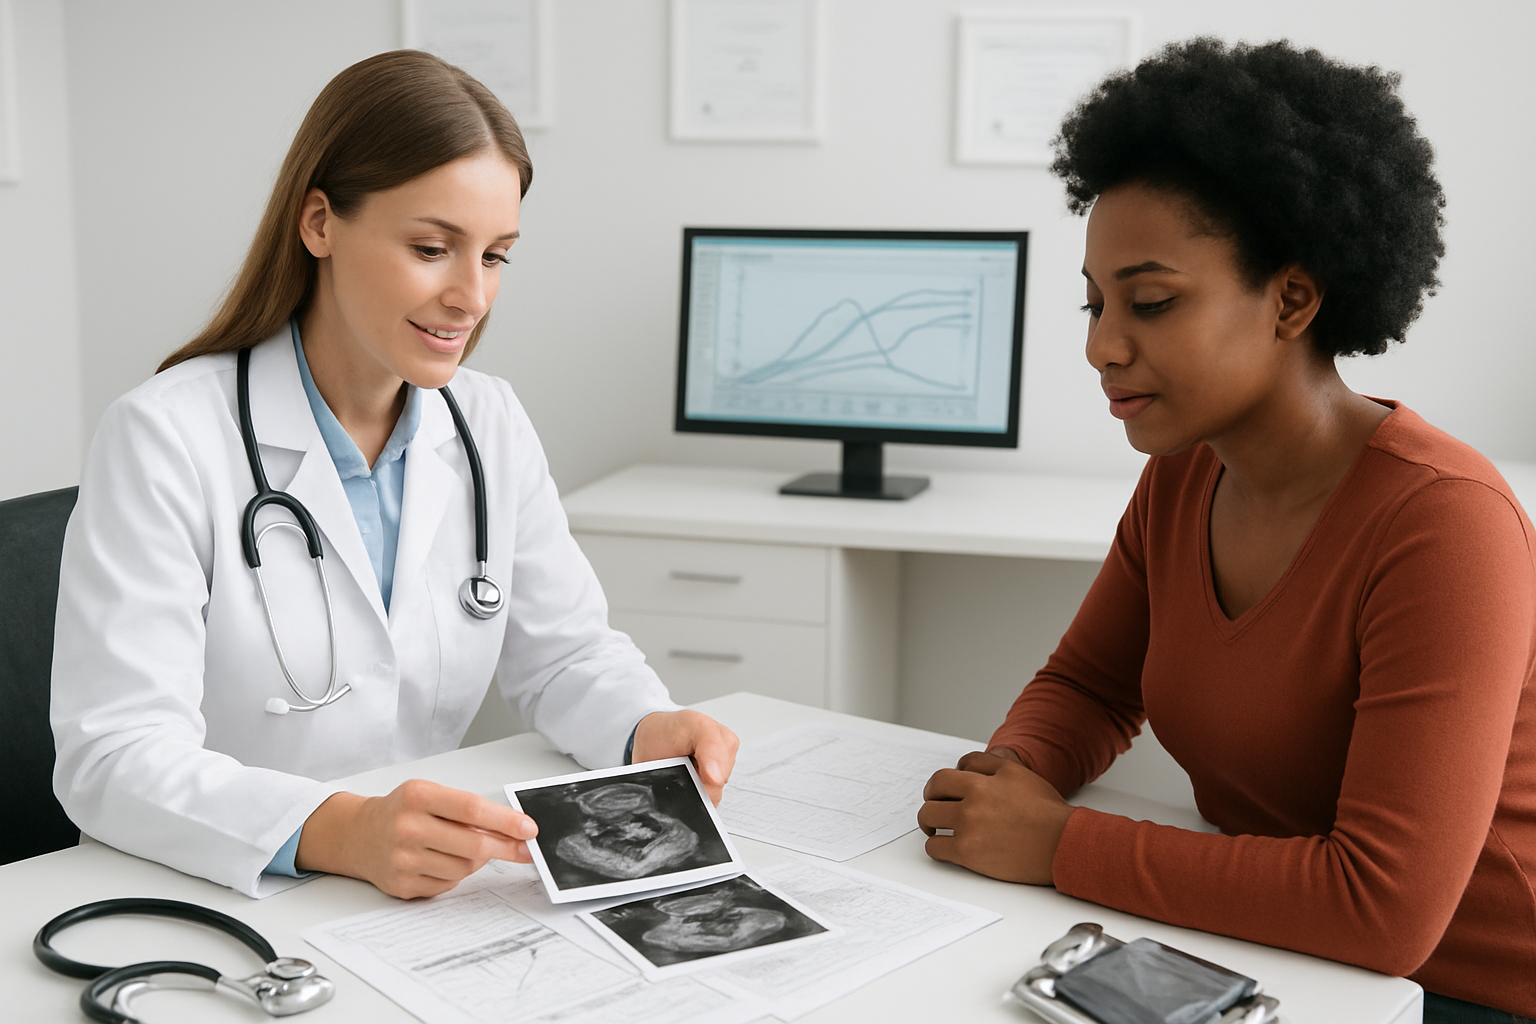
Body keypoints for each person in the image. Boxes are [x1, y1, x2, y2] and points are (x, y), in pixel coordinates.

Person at [918, 38, 1536, 1023]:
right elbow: (1089, 684)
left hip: (1456, 991)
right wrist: (1017, 771)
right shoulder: (1182, 474)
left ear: (1292, 298)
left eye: (1151, 302)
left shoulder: (1445, 525)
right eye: (1096, 300)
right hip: (1265, 955)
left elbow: (1383, 909)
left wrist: (1055, 845)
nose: (1100, 345)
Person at [50, 50, 738, 902]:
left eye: (495, 257)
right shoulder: (164, 436)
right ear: (319, 223)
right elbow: (111, 758)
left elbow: (564, 655)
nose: (471, 297)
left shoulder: (487, 423)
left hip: (410, 893)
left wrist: (643, 723)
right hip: (215, 889)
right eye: (431, 248)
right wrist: (338, 828)